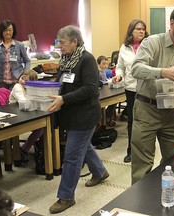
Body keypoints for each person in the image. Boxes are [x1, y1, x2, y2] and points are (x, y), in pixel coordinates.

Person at [130, 4, 174, 184]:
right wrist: (163, 72)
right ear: (172, 23)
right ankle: (139, 207)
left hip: (171, 115)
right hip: (147, 110)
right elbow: (136, 68)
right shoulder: (153, 43)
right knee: (142, 167)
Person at [48, 25, 109, 214]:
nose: (60, 47)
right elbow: (63, 82)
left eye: (63, 43)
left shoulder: (87, 59)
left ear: (74, 42)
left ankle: (66, 197)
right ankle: (100, 172)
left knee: (72, 156)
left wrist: (64, 99)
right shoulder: (66, 59)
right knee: (84, 147)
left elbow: (91, 88)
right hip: (71, 114)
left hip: (85, 116)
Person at [112, 19, 149, 163]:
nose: (141, 31)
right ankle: (131, 151)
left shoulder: (149, 45)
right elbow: (120, 66)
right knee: (132, 121)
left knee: (145, 121)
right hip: (130, 89)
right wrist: (119, 75)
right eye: (138, 29)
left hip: (146, 88)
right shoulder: (124, 47)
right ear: (131, 31)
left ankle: (144, 149)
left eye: (143, 29)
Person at [9, 69, 43, 164]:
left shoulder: (30, 88)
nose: (23, 81)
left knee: (43, 127)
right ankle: (24, 149)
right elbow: (24, 101)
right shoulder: (17, 87)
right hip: (16, 115)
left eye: (26, 80)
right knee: (39, 128)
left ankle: (39, 148)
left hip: (27, 113)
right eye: (22, 78)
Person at [0, 19, 31, 90]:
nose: (8, 32)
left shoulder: (20, 45)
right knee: (3, 100)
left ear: (13, 31)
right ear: (2, 31)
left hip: (16, 80)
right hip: (1, 81)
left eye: (10, 30)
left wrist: (25, 73)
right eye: (5, 30)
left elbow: (27, 61)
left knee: (14, 100)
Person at [97, 55, 116, 127]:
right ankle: (102, 121)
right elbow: (99, 82)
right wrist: (106, 82)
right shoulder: (97, 72)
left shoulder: (103, 71)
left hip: (105, 90)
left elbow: (104, 80)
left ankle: (108, 117)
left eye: (107, 64)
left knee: (114, 101)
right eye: (103, 64)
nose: (106, 66)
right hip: (99, 93)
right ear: (99, 64)